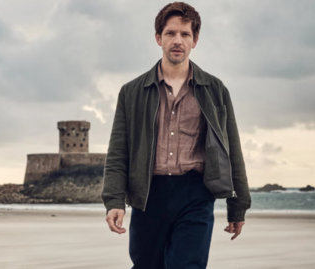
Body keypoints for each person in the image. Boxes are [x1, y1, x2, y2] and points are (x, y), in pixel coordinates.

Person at [101, 2, 252, 268]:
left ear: (195, 40)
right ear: (158, 38)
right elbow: (118, 153)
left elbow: (232, 150)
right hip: (149, 195)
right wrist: (114, 201)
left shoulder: (215, 90)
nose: (178, 41)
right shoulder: (132, 92)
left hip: (196, 194)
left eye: (185, 34)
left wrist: (237, 206)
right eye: (171, 33)